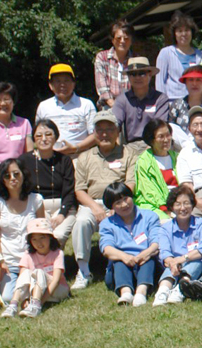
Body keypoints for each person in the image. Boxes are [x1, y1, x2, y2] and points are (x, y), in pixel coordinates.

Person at [70, 110, 140, 290]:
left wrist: (117, 205)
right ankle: (83, 271)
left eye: (109, 129)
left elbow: (131, 183)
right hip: (92, 203)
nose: (104, 134)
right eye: (100, 130)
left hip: (121, 202)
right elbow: (79, 189)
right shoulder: (85, 156)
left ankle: (129, 264)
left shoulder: (129, 153)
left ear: (118, 132)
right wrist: (95, 208)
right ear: (94, 133)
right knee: (81, 222)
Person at [0, 158, 44, 300]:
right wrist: (1, 260)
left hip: (33, 259)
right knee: (7, 297)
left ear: (23, 174)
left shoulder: (36, 199)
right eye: (7, 176)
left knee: (35, 292)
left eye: (16, 174)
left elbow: (43, 231)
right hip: (9, 261)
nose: (12, 178)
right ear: (2, 179)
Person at [152, 185, 202, 306]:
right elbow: (165, 253)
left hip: (201, 263)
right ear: (172, 207)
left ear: (192, 205)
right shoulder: (165, 228)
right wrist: (172, 262)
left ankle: (180, 289)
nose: (182, 208)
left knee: (197, 260)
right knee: (171, 265)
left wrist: (182, 259)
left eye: (186, 203)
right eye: (178, 204)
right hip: (176, 265)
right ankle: (162, 291)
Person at [99, 182, 160, 306]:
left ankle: (141, 292)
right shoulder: (107, 224)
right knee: (118, 260)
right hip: (121, 268)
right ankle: (125, 293)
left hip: (146, 264)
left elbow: (157, 242)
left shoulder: (150, 217)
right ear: (112, 206)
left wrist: (144, 254)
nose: (124, 204)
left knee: (149, 258)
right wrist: (125, 257)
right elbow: (106, 248)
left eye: (126, 198)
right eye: (118, 202)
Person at [18, 120, 76, 244]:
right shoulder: (24, 160)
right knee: (43, 234)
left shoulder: (64, 160)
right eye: (39, 135)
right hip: (37, 207)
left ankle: (56, 256)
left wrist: (62, 214)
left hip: (62, 206)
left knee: (59, 235)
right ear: (34, 139)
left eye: (48, 134)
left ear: (56, 137)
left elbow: (69, 190)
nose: (44, 139)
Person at [0, 218, 69, 318]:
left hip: (57, 290)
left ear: (50, 237)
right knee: (26, 273)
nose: (39, 243)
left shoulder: (58, 253)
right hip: (36, 290)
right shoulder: (28, 255)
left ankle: (36, 305)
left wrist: (40, 302)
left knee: (39, 272)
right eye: (34, 239)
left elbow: (56, 281)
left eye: (42, 238)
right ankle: (13, 305)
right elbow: (23, 279)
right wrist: (25, 299)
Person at [35, 63, 97, 156]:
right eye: (58, 81)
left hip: (79, 157)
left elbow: (95, 134)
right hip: (51, 158)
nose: (62, 84)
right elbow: (38, 135)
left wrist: (75, 148)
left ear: (73, 83)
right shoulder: (43, 106)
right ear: (50, 85)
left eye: (66, 80)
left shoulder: (86, 104)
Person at [113, 57, 170, 150]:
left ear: (150, 74)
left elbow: (160, 126)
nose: (137, 77)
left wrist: (151, 148)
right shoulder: (122, 99)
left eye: (142, 73)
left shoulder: (160, 99)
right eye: (133, 74)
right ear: (128, 77)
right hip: (129, 147)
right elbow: (114, 124)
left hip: (154, 145)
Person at [132, 119, 178, 217]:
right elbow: (149, 191)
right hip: (155, 206)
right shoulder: (144, 161)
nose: (166, 140)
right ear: (151, 140)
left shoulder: (178, 157)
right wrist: (165, 209)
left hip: (180, 204)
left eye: (168, 135)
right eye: (161, 136)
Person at [155, 11, 202, 100]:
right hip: (172, 101)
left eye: (187, 30)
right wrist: (162, 103)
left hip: (196, 102)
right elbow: (160, 83)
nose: (183, 34)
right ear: (175, 33)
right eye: (179, 31)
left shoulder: (201, 55)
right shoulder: (166, 53)